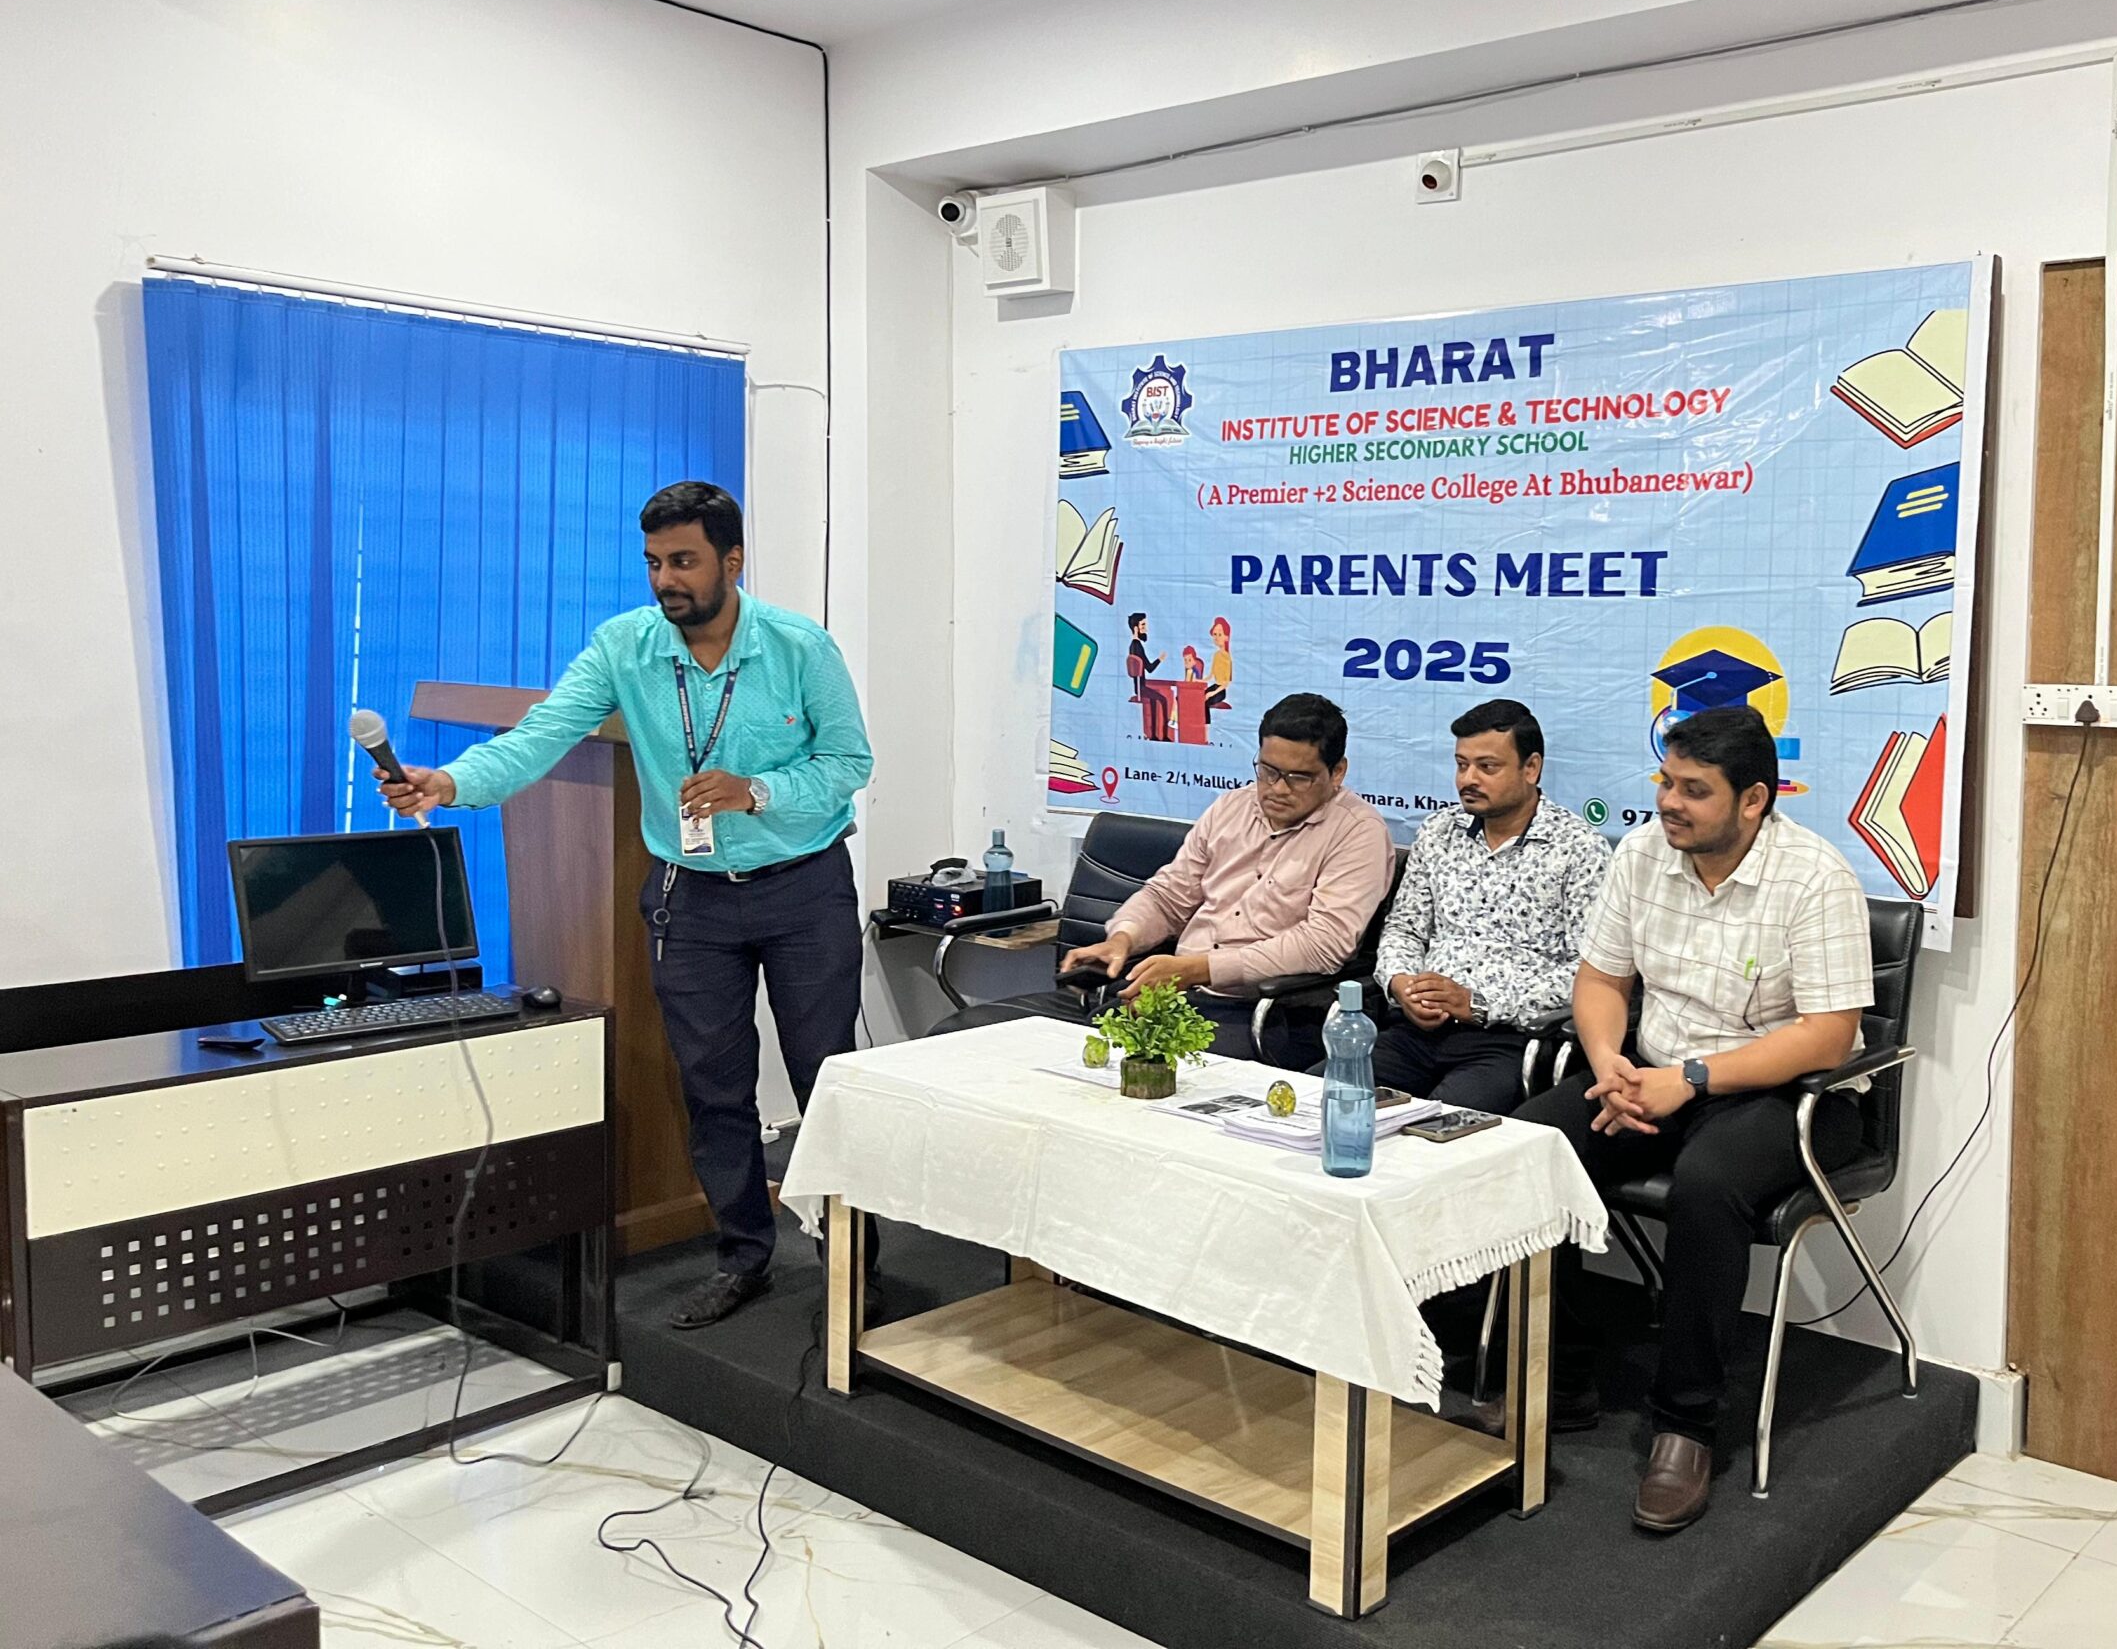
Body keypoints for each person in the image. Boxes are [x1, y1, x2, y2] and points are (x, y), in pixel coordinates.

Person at [376, 481, 874, 1332]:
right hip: (692, 899)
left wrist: (756, 790)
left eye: (683, 561)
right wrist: (450, 783)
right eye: (653, 563)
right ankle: (743, 1257)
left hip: (803, 890)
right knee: (713, 1089)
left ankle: (853, 1266)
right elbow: (540, 736)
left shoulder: (799, 647)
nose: (665, 579)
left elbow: (849, 764)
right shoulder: (625, 646)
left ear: (732, 560)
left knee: (826, 1082)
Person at [1512, 706, 1872, 1533]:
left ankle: (1686, 1425)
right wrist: (1609, 1065)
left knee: (1707, 1187)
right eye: (1666, 782)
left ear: (1753, 801)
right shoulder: (1643, 854)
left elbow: (1827, 1034)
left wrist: (1692, 1079)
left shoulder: (1815, 878)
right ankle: (1558, 1379)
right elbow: (1602, 981)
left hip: (1788, 1097)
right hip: (1654, 1074)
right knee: (1535, 1142)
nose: (1669, 802)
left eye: (1693, 790)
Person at [938, 694, 1393, 1064]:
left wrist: (1199, 968)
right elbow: (1170, 893)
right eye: (1268, 771)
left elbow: (1323, 944)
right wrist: (1124, 938)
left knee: (1139, 1069)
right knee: (1036, 1057)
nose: (1277, 789)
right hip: (1181, 994)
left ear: (1337, 772)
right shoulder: (1232, 807)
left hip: (1270, 1013)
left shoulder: (1358, 833)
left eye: (1298, 778)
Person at [1370, 700, 1609, 1113]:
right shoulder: (1439, 832)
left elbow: (1589, 972)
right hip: (1415, 1031)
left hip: (1509, 1041)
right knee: (1324, 1099)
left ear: (1531, 768)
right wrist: (1401, 983)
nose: (1468, 779)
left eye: (1487, 767)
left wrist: (1479, 1003)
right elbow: (1404, 928)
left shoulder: (1578, 849)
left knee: (1444, 1128)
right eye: (1461, 765)